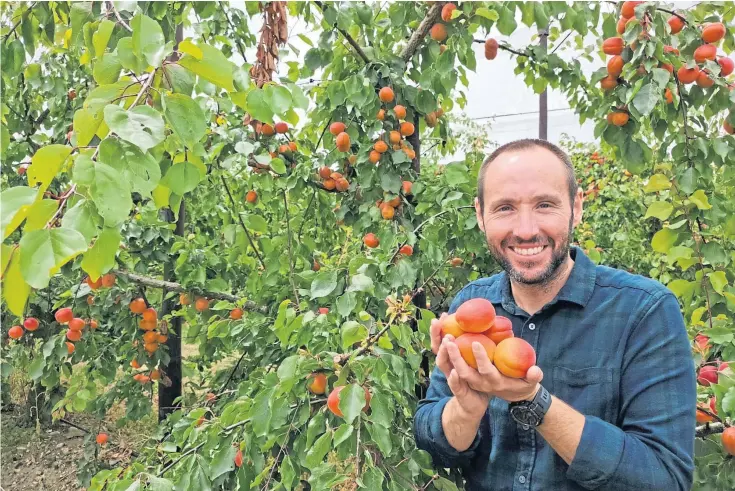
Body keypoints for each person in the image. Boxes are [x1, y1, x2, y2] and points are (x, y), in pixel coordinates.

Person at [414, 139, 696, 490]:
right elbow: (433, 441)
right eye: (505, 208)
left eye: (545, 204)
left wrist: (533, 401)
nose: (526, 229)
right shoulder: (472, 307)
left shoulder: (644, 311)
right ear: (480, 216)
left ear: (577, 207)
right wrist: (465, 412)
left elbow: (664, 477)